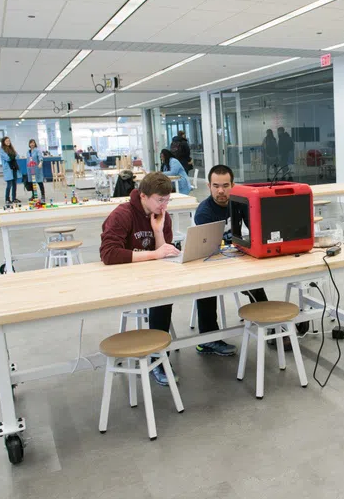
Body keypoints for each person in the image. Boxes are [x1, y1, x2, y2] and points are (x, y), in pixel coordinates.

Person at [100, 172, 181, 385]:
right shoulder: (122, 214)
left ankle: (158, 353)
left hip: (151, 276)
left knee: (164, 294)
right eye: (160, 200)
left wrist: (158, 231)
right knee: (160, 297)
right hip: (123, 279)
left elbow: (163, 253)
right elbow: (109, 254)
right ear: (143, 196)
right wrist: (154, 255)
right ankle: (156, 356)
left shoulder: (163, 215)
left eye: (167, 200)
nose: (164, 205)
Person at [192, 165, 278, 355]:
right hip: (208, 262)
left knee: (253, 278)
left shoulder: (240, 203)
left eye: (225, 185)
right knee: (206, 285)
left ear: (233, 185)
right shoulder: (204, 212)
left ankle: (268, 324)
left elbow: (255, 229)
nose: (220, 191)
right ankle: (208, 339)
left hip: (234, 257)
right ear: (208, 186)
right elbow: (209, 249)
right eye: (216, 186)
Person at [0, 137, 21, 204]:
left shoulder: (12, 148)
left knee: (14, 184)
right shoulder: (2, 149)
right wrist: (13, 156)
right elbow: (7, 158)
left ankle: (14, 198)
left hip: (14, 168)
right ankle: (7, 199)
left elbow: (17, 156)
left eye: (9, 140)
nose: (8, 142)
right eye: (6, 141)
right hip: (8, 169)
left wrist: (13, 156)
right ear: (3, 142)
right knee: (9, 185)